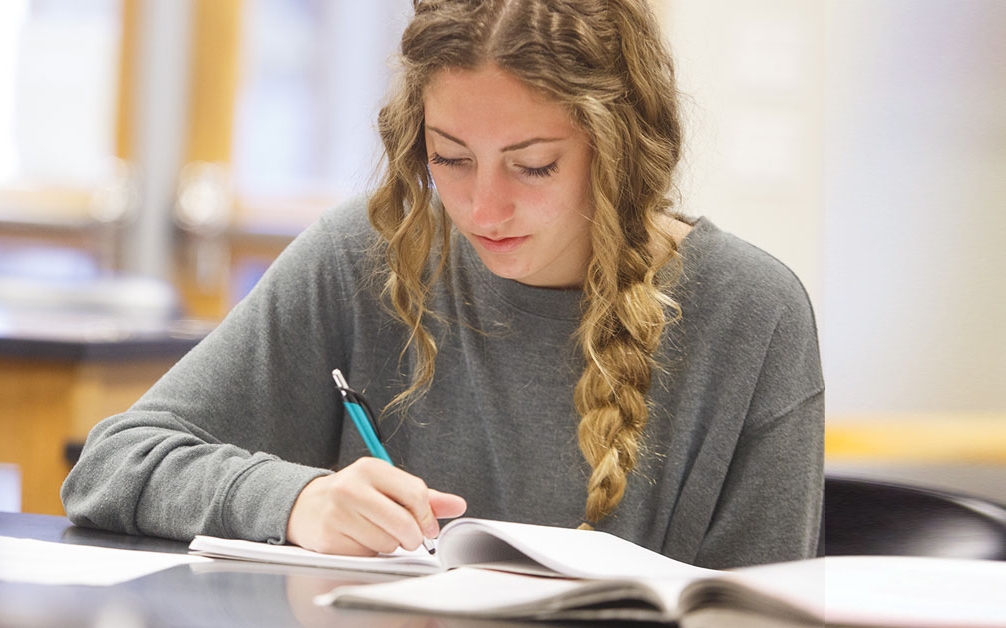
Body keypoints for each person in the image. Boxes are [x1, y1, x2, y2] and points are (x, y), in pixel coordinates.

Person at [62, 0, 823, 569]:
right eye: (450, 157)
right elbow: (114, 463)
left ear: (620, 145)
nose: (482, 209)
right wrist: (294, 501)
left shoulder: (753, 315)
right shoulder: (366, 255)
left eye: (533, 165)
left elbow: (760, 607)